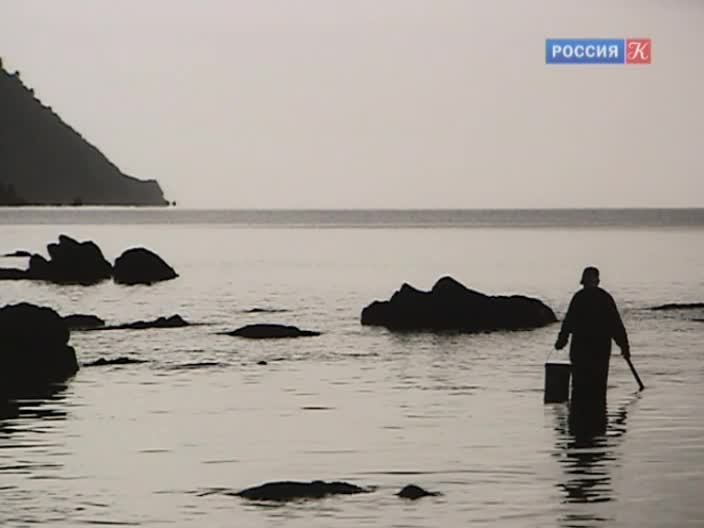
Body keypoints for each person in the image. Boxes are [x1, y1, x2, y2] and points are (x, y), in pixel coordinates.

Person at [555, 266, 630, 409]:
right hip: (600, 350)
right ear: (598, 281)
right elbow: (616, 326)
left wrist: (561, 341)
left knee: (579, 387)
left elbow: (568, 323)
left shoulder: (579, 298)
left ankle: (579, 416)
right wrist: (624, 347)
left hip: (581, 350)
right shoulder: (605, 298)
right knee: (598, 388)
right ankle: (598, 417)